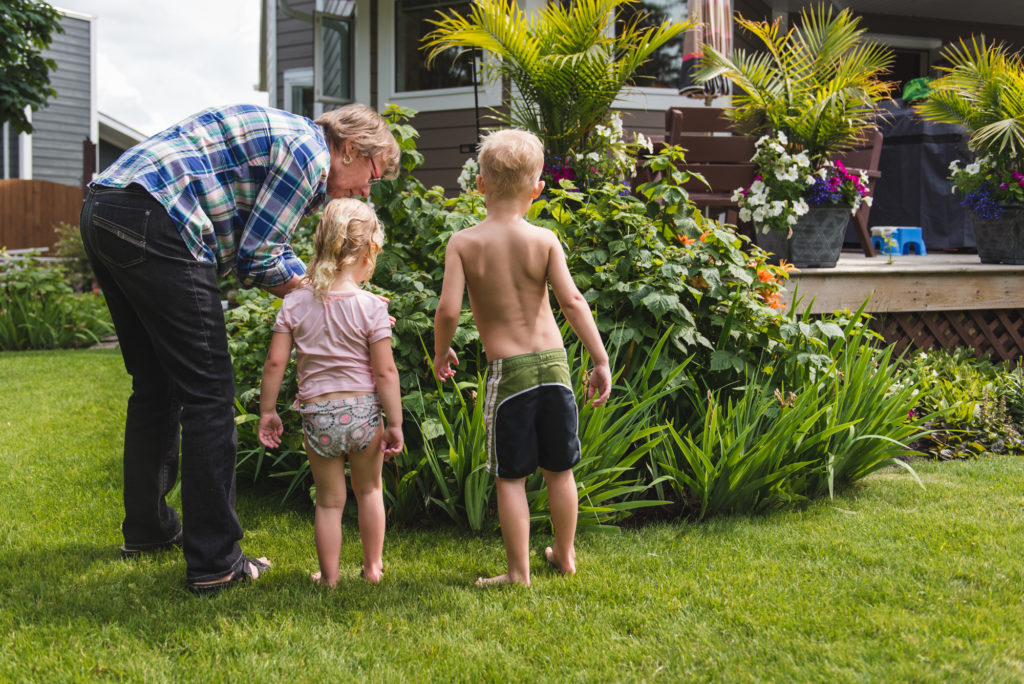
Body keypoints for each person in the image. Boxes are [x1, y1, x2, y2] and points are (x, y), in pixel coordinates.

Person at [79, 103, 399, 595]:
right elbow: (259, 257)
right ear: (351, 149)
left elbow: (268, 251)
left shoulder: (294, 140)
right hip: (161, 219)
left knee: (156, 384)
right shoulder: (309, 155)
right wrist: (338, 299)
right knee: (209, 393)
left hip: (105, 205)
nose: (365, 190)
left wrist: (327, 291)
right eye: (371, 176)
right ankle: (216, 563)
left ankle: (149, 530)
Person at [432, 128, 612, 587]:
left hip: (508, 374)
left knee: (510, 478)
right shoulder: (545, 239)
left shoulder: (464, 243)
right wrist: (600, 359)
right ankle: (565, 555)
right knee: (560, 469)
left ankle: (518, 573)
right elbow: (572, 301)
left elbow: (449, 309)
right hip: (554, 366)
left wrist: (441, 350)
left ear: (479, 185)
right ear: (537, 189)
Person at [257, 198, 403, 587]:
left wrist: (268, 411)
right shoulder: (373, 307)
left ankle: (330, 577)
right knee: (370, 490)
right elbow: (385, 371)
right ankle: (372, 568)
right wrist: (395, 422)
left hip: (318, 417)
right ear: (368, 252)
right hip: (363, 416)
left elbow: (275, 363)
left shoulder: (294, 302)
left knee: (329, 501)